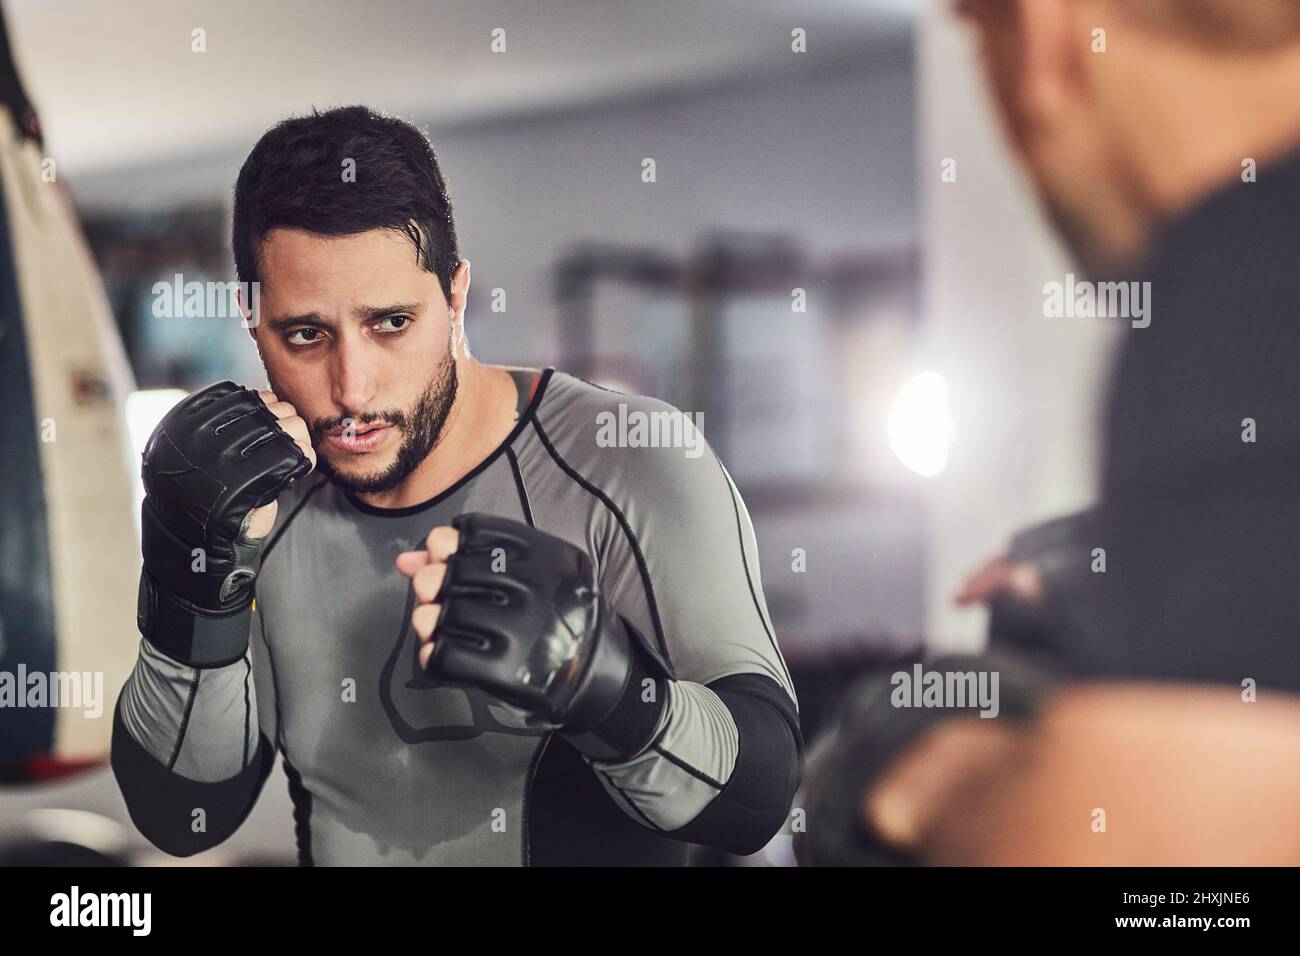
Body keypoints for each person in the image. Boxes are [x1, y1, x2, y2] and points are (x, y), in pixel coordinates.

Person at [111, 106, 802, 866]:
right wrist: (188, 585)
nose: (351, 386)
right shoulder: (253, 507)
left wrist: (607, 686)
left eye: (391, 324)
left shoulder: (628, 461)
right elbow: (187, 815)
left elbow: (757, 799)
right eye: (306, 334)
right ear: (250, 317)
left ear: (457, 296)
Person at [797, 0, 1300, 865]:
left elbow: (1177, 892)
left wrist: (932, 771)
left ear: (1045, 36)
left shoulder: (1242, 268)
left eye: (976, 40)